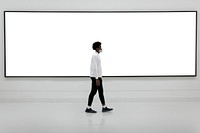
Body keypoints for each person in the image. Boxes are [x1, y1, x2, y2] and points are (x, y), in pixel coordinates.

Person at [85, 41, 113, 113]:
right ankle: (88, 108)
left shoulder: (97, 55)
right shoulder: (95, 56)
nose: (101, 48)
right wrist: (97, 78)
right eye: (100, 47)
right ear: (96, 48)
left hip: (97, 77)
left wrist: (100, 77)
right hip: (95, 77)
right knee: (93, 92)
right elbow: (95, 68)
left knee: (100, 92)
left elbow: (98, 67)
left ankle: (104, 107)